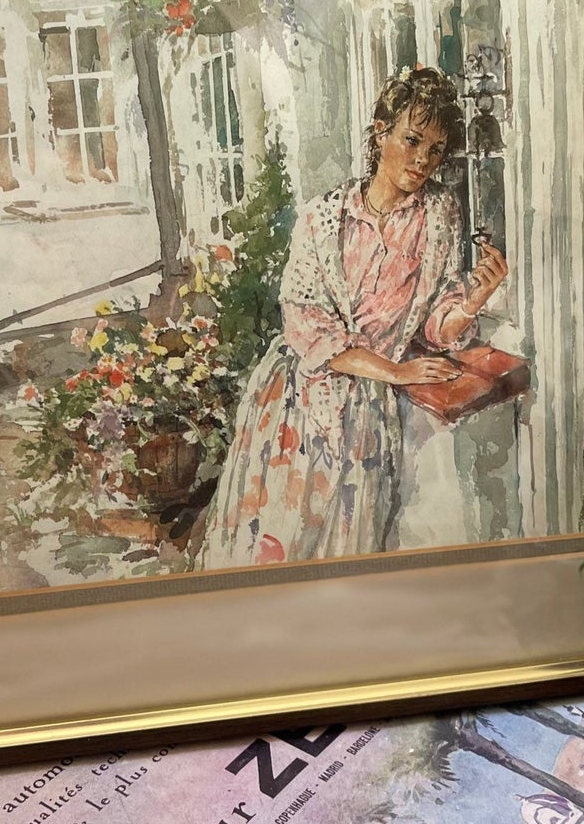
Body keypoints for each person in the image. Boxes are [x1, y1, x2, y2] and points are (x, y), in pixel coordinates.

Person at [200, 68, 510, 567]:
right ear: (380, 131)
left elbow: (436, 325)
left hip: (366, 413)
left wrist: (473, 300)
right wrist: (393, 371)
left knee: (349, 549)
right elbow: (305, 323)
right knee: (277, 542)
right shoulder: (323, 217)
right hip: (298, 397)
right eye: (412, 140)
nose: (422, 160)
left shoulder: (439, 214)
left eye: (435, 149)